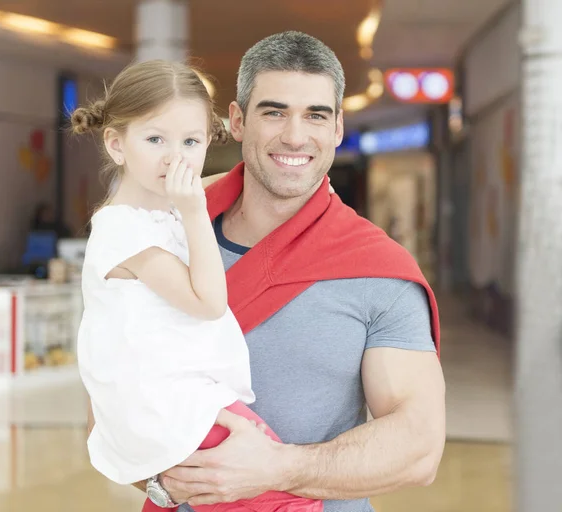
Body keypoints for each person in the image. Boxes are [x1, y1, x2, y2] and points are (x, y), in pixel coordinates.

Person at [90, 32, 445, 512]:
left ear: (338, 127)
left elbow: (419, 448)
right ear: (236, 121)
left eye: (316, 115)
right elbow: (109, 401)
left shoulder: (379, 271)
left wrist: (279, 469)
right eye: (274, 112)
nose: (295, 136)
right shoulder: (163, 231)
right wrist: (163, 483)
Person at [74, 60, 323, 512]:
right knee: (290, 502)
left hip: (191, 404)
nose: (175, 157)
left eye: (190, 141)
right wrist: (194, 211)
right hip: (170, 410)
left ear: (209, 142)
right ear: (116, 144)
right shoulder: (124, 230)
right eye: (155, 140)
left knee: (283, 498)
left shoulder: (154, 218)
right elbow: (208, 302)